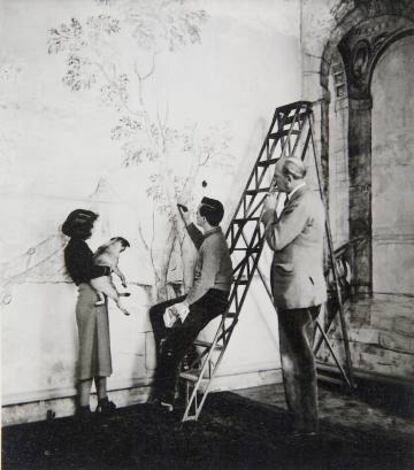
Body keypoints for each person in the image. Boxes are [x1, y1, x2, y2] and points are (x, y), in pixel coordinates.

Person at [261, 157, 327, 435]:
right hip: (306, 291)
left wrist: (268, 213)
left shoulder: (300, 203)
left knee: (295, 361)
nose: (274, 183)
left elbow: (276, 239)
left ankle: (303, 425)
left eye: (277, 178)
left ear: (289, 178)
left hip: (295, 293)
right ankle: (305, 422)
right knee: (303, 358)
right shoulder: (310, 199)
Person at [149, 197, 233, 410]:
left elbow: (205, 282)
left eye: (197, 214)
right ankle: (168, 341)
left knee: (175, 344)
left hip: (212, 298)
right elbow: (201, 242)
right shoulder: (213, 237)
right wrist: (187, 221)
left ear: (204, 218)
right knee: (157, 312)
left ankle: (167, 396)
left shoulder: (213, 244)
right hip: (208, 295)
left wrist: (185, 304)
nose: (196, 215)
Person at [62, 209, 117, 418]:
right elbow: (88, 272)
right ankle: (85, 406)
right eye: (90, 225)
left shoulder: (79, 247)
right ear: (81, 227)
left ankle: (100, 400)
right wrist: (107, 270)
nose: (92, 229)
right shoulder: (76, 247)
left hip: (94, 300)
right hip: (88, 299)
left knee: (100, 351)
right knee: (89, 352)